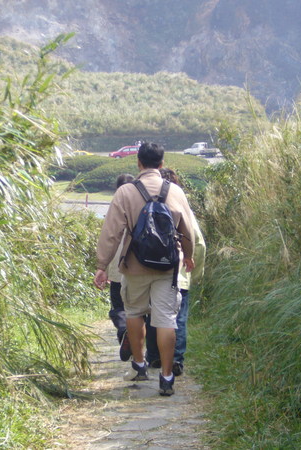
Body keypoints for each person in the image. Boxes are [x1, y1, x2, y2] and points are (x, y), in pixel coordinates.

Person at [94, 142, 195, 396]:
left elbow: (111, 233)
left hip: (135, 265)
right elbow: (188, 231)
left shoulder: (126, 192)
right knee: (166, 319)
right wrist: (189, 256)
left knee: (135, 312)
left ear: (138, 163)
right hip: (166, 267)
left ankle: (139, 365)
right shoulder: (174, 191)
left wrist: (102, 265)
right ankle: (167, 377)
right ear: (161, 164)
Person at [145, 168, 206, 376]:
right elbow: (199, 243)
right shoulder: (182, 208)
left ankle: (154, 357)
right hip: (179, 273)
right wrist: (193, 274)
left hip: (152, 270)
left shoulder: (147, 208)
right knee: (177, 318)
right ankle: (176, 359)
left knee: (154, 315)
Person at [106, 174, 135, 361]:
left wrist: (102, 267)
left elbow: (107, 238)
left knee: (118, 306)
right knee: (138, 308)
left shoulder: (113, 208)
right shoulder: (139, 205)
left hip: (117, 268)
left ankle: (124, 330)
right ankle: (140, 345)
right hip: (137, 265)